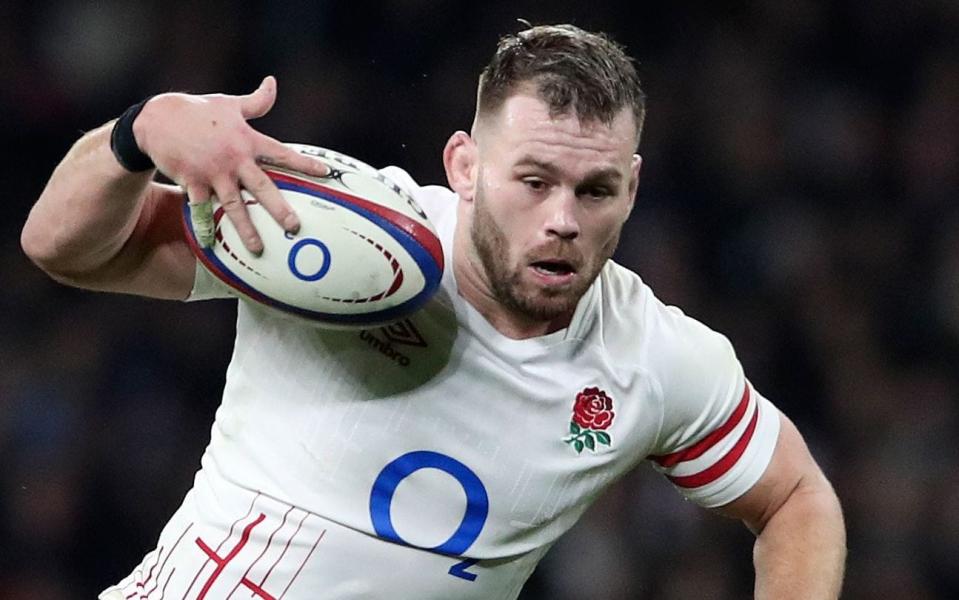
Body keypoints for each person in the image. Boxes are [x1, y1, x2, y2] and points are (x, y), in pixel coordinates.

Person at [22, 24, 845, 599]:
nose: (563, 218)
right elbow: (66, 247)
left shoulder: (656, 359)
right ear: (464, 164)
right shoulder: (344, 240)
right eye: (533, 180)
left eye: (594, 191)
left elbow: (794, 499)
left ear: (630, 187)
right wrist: (139, 132)